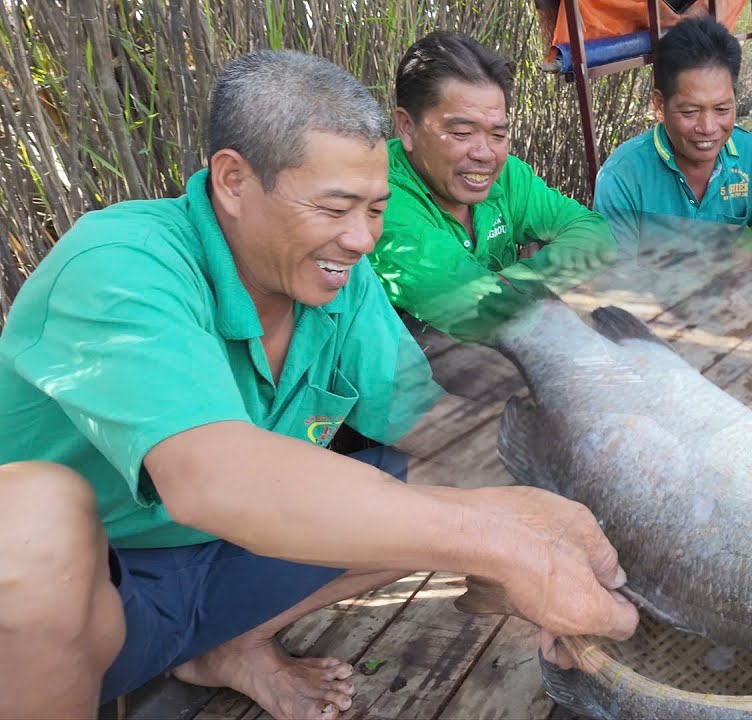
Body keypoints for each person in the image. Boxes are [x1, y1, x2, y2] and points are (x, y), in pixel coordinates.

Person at [0, 50, 636, 720]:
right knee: (32, 518)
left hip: (227, 574)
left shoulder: (338, 276)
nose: (362, 239)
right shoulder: (119, 265)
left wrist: (550, 513)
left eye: (375, 209)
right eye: (335, 208)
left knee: (438, 476)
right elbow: (212, 479)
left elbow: (432, 428)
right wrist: (505, 544)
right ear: (233, 180)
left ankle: (231, 644)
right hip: (105, 607)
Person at [370, 32, 616, 343]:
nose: (484, 153)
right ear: (407, 127)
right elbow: (474, 310)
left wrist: (516, 280)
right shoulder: (380, 200)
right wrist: (548, 273)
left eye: (497, 135)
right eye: (462, 132)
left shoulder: (507, 174)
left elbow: (596, 235)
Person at [593, 15, 752, 256]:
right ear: (659, 105)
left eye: (722, 109)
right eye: (690, 112)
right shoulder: (621, 177)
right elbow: (618, 279)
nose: (709, 127)